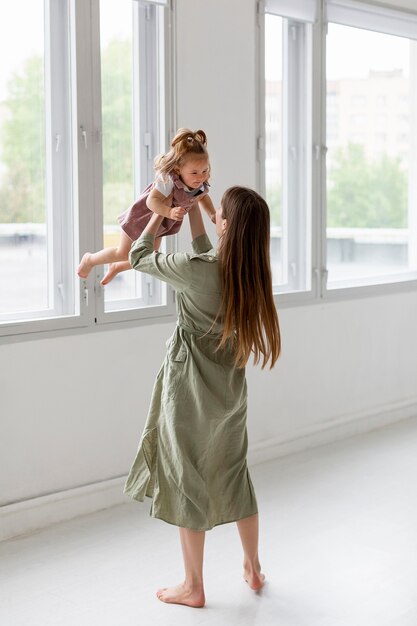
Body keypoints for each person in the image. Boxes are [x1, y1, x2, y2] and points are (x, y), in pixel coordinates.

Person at [124, 186, 281, 608]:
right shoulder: (251, 275)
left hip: (190, 391)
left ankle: (193, 585)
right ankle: (253, 567)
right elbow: (204, 252)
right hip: (229, 395)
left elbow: (138, 256)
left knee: (186, 479)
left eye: (219, 216)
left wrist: (157, 214)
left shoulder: (198, 271)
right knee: (234, 475)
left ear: (226, 225)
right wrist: (194, 210)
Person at [77, 128, 216, 285]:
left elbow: (203, 197)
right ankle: (90, 259)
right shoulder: (168, 181)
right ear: (178, 169)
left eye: (205, 170)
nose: (201, 176)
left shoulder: (198, 182)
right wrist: (169, 211)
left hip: (160, 223)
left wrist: (212, 214)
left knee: (149, 257)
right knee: (122, 252)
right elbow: (152, 201)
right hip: (141, 217)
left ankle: (117, 267)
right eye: (195, 173)